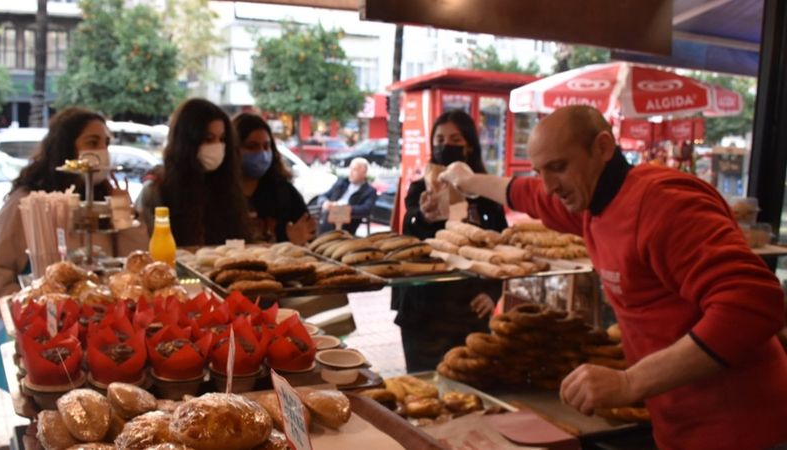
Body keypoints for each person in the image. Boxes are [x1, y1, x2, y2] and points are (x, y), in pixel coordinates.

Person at [440, 105, 787, 449]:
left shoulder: (664, 204)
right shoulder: (595, 203)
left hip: (743, 429)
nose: (548, 186)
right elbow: (530, 195)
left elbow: (753, 304)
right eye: (540, 170)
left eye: (558, 167)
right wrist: (467, 181)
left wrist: (629, 382)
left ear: (603, 148)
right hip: (679, 427)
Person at [0, 107, 147, 308]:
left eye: (106, 143)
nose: (102, 152)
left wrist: (123, 211)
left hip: (104, 319)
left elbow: (135, 265)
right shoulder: (28, 203)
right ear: (65, 147)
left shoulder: (105, 201)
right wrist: (31, 313)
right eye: (92, 142)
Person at [392, 110, 507, 372]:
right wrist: (423, 215)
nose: (446, 146)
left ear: (468, 144)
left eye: (455, 139)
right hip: (424, 309)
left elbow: (500, 244)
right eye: (440, 140)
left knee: (469, 385)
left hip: (469, 309)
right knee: (426, 387)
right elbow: (411, 235)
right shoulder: (421, 189)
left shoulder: (484, 190)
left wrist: (492, 293)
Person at [136, 98, 251, 246]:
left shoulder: (227, 186)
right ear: (187, 142)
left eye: (222, 139)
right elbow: (149, 249)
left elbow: (238, 242)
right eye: (208, 139)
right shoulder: (157, 190)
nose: (217, 146)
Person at [232, 112, 315, 244]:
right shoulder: (218, 194)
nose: (261, 153)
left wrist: (294, 243)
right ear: (233, 149)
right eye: (251, 147)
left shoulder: (284, 193)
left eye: (266, 146)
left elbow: (308, 235)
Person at [317, 157, 377, 234]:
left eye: (354, 170)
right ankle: (326, 237)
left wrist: (347, 208)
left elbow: (366, 208)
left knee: (333, 213)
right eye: (350, 169)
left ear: (364, 173)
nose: (351, 172)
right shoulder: (342, 183)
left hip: (349, 218)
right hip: (331, 210)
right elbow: (323, 196)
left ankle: (326, 237)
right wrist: (325, 202)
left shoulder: (369, 191)